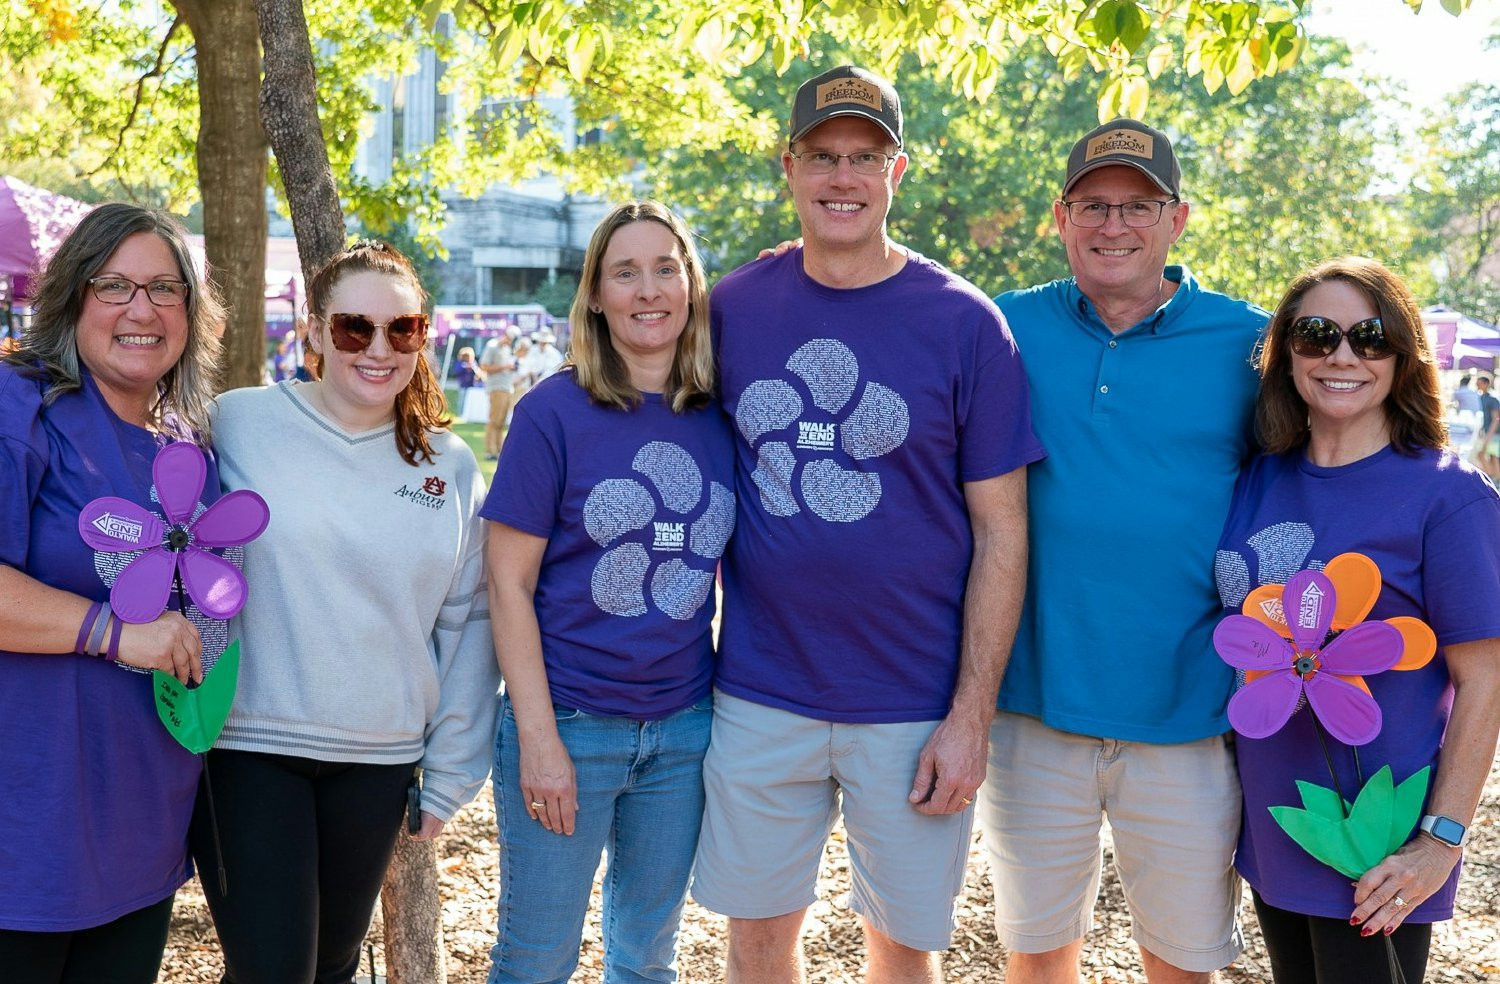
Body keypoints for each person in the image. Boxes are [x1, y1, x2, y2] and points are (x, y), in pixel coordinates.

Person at [693, 65, 1042, 983]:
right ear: (789, 167)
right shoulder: (732, 309)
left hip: (914, 705)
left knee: (902, 946)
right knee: (758, 940)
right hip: (763, 688)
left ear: (898, 171)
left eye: (865, 156)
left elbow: (1004, 531)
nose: (842, 176)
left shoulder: (966, 323)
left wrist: (971, 715)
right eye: (822, 156)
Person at [980, 119, 1267, 983]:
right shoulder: (1001, 328)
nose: (1114, 226)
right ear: (1060, 219)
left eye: (1137, 206)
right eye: (1094, 206)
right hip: (1035, 706)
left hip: (1187, 709)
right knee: (1036, 956)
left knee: (1181, 963)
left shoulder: (1249, 345)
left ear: (1176, 219)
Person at [191, 240, 500, 984]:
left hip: (378, 760)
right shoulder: (233, 423)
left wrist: (453, 772)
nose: (379, 348)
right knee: (274, 970)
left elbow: (470, 624)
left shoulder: (448, 466)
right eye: (355, 327)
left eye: (405, 330)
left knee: (330, 967)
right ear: (314, 331)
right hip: (247, 747)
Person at [1214, 256, 1500, 982]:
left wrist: (1440, 841)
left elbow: (1486, 680)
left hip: (1380, 848)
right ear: (1287, 356)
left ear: (1403, 357)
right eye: (1316, 335)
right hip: (1277, 830)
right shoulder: (1259, 477)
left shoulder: (1448, 496)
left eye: (1370, 338)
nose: (1342, 355)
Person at [482, 200, 733, 982]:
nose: (647, 289)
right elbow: (507, 585)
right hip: (571, 724)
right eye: (625, 272)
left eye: (666, 268)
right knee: (535, 960)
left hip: (684, 730)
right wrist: (539, 740)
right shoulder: (552, 413)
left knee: (647, 958)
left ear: (692, 285)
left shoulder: (721, 415)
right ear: (595, 293)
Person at [0, 203, 227, 981]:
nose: (143, 309)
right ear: (71, 298)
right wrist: (114, 631)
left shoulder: (190, 449)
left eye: (166, 289)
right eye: (115, 286)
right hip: (24, 837)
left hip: (144, 826)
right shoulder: (18, 406)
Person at [479, 328, 517, 459]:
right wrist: (505, 367)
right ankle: (489, 451)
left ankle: (499, 449)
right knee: (494, 420)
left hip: (507, 387)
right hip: (496, 387)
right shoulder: (492, 346)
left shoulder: (507, 349)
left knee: (501, 421)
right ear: (506, 336)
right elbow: (483, 366)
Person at [1473, 373, 1499, 476]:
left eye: (1479, 383)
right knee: (1491, 456)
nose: (1477, 385)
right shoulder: (1482, 397)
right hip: (1488, 431)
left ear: (1486, 384)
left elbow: (1496, 419)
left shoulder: (1492, 399)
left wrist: (1489, 436)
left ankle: (1493, 478)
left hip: (1494, 433)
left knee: (1486, 455)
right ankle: (1494, 479)